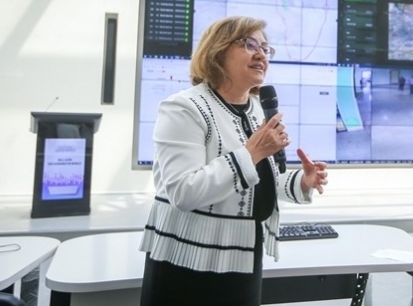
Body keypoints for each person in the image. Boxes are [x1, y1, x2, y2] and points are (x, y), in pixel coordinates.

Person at [138, 15, 329, 306]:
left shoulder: (257, 108)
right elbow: (183, 192)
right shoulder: (184, 108)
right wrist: (252, 153)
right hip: (188, 262)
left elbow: (255, 181)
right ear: (217, 51)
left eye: (265, 48)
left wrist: (302, 181)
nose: (261, 54)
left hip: (243, 255)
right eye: (250, 44)